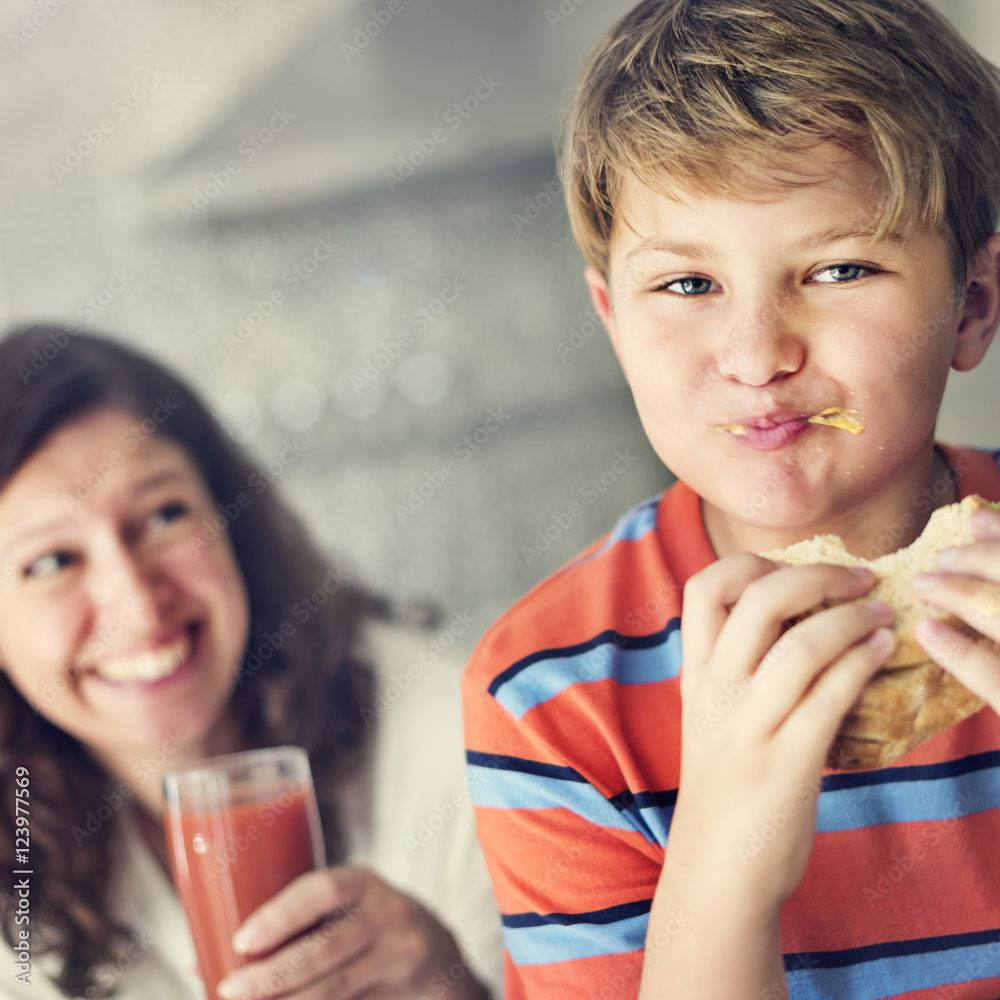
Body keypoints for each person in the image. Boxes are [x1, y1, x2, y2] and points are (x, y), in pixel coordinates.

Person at [462, 1, 1000, 997]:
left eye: (840, 268)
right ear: (613, 320)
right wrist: (722, 866)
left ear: (971, 303)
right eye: (686, 285)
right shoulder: (551, 699)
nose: (757, 356)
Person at [0, 326, 502, 1000]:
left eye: (162, 516)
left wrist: (462, 990)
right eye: (53, 562)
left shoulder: (460, 737)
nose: (137, 607)